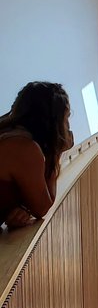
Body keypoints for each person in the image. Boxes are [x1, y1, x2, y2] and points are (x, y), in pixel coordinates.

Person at [0, 82, 73, 230]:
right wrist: (56, 151)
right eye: (66, 119)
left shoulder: (8, 133)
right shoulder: (23, 148)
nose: (68, 127)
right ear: (54, 121)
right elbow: (42, 207)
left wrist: (20, 209)